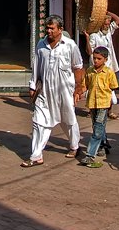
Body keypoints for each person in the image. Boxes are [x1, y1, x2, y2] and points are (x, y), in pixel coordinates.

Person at [23, 15, 85, 166]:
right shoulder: (41, 45)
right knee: (39, 122)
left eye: (52, 28)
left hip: (64, 91)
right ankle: (36, 155)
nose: (49, 31)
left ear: (60, 30)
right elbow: (36, 66)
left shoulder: (70, 45)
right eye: (47, 28)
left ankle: (74, 146)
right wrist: (32, 85)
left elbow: (78, 67)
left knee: (68, 120)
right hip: (44, 91)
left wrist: (78, 88)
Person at [82, 46, 119, 168]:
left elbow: (113, 86)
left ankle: (90, 155)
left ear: (105, 59)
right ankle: (104, 145)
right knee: (97, 126)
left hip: (104, 104)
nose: (96, 61)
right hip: (92, 104)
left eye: (99, 58)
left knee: (97, 128)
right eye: (94, 58)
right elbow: (86, 85)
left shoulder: (109, 72)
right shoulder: (89, 71)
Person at [87, 10, 119, 118]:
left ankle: (109, 111)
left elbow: (118, 19)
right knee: (94, 87)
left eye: (107, 24)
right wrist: (87, 38)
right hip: (97, 65)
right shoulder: (94, 36)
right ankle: (92, 110)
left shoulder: (109, 31)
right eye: (105, 24)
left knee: (109, 88)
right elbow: (89, 51)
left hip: (108, 65)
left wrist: (106, 11)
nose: (107, 26)